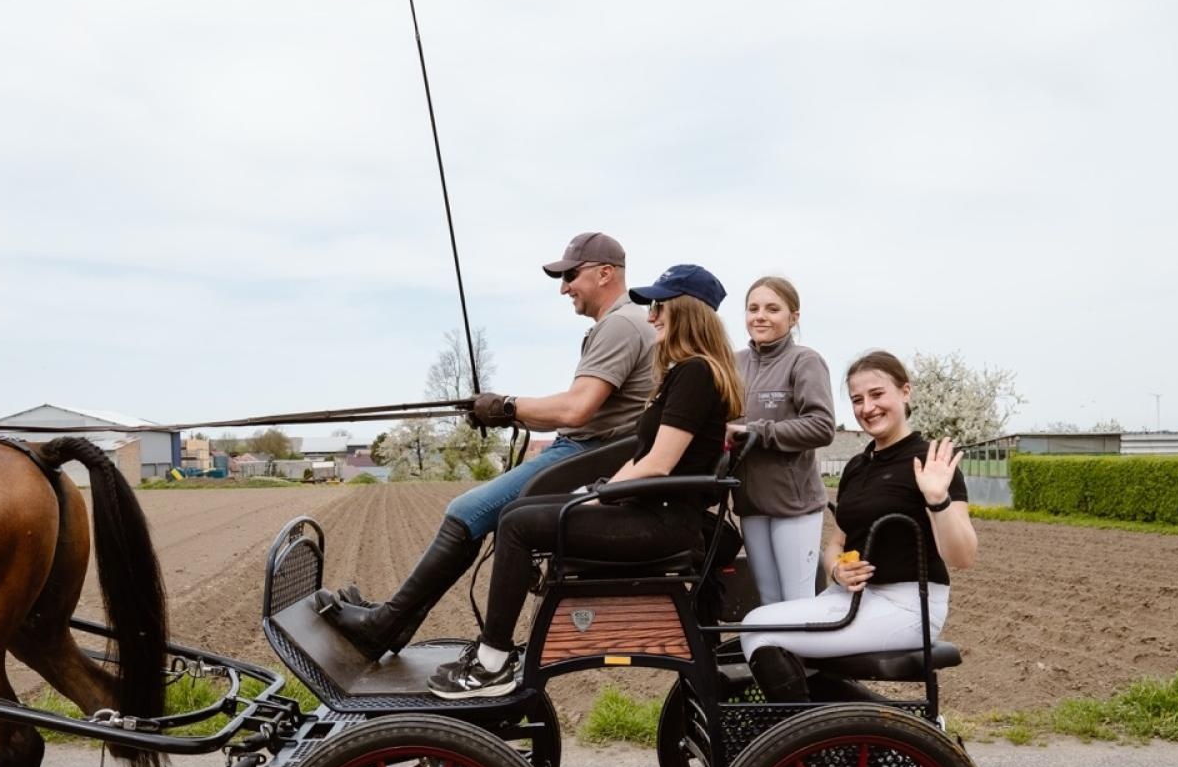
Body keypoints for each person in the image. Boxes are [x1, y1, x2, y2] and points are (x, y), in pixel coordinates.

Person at [320, 231, 656, 660]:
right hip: (586, 451)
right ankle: (394, 624)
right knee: (472, 512)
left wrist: (508, 407)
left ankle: (384, 626)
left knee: (465, 511)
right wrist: (500, 409)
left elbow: (576, 410)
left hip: (583, 455)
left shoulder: (620, 326)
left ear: (606, 273)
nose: (563, 287)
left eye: (570, 275)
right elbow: (580, 406)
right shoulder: (629, 323)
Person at [427, 264, 743, 698]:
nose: (651, 317)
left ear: (685, 312)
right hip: (657, 514)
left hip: (661, 524)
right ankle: (495, 657)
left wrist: (598, 497)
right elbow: (646, 456)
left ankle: (493, 662)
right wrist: (596, 491)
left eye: (658, 307)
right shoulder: (689, 372)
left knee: (516, 525)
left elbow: (658, 463)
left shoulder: (695, 373)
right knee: (518, 511)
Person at [736, 349, 977, 701]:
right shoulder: (857, 467)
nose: (867, 408)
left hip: (907, 606)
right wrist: (836, 570)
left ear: (905, 392)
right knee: (756, 623)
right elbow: (837, 543)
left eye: (877, 395)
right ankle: (838, 731)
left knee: (760, 629)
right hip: (850, 597)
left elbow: (963, 557)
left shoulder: (931, 462)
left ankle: (808, 738)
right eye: (857, 399)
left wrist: (937, 498)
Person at [728, 276, 834, 604]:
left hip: (793, 505)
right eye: (753, 308)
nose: (760, 316)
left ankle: (805, 658)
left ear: (794, 317)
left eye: (773, 309)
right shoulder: (734, 363)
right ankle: (775, 657)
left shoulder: (805, 361)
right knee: (769, 599)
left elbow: (822, 426)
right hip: (750, 503)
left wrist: (757, 432)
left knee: (797, 601)